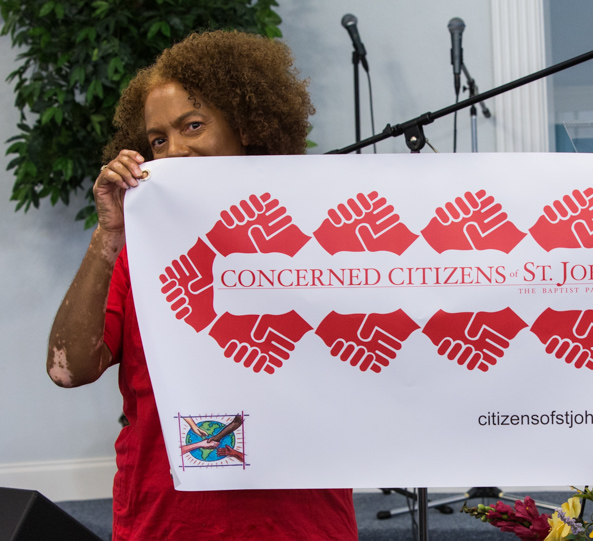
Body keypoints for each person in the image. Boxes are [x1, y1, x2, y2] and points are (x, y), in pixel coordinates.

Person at [46, 30, 359, 540]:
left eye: (193, 126)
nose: (174, 150)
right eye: (158, 140)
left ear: (247, 127)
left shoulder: (319, 241)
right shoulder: (135, 254)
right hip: (168, 518)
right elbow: (69, 370)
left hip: (297, 518)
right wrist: (108, 234)